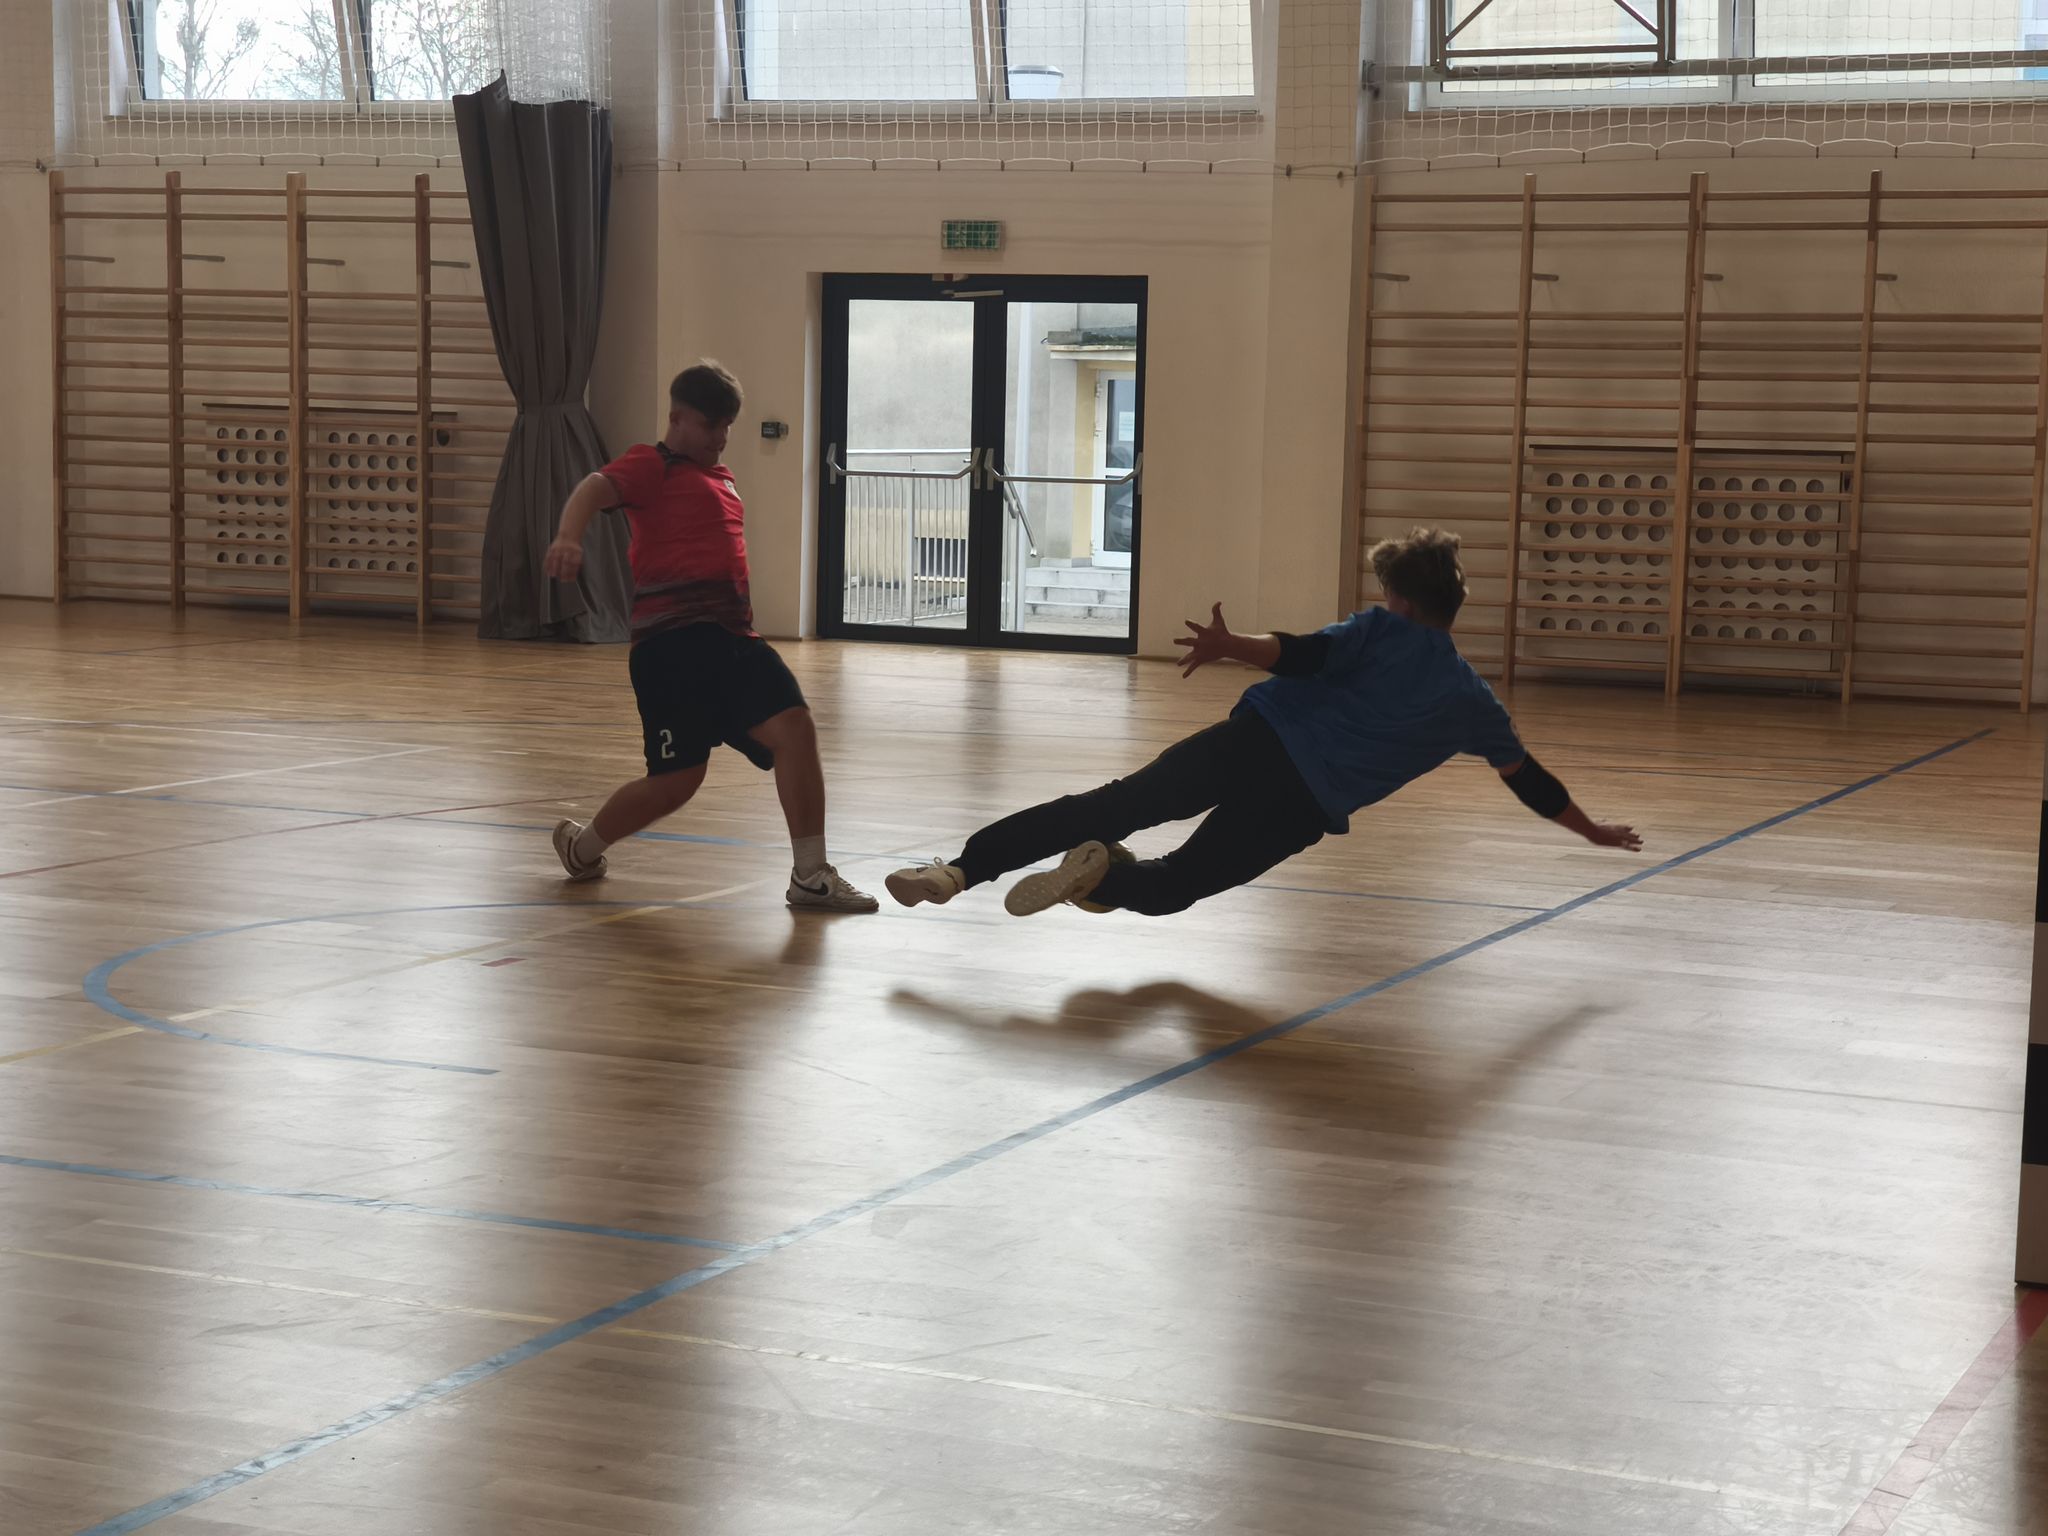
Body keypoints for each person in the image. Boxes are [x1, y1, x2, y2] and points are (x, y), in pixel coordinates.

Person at [885, 527, 1641, 918]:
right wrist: (1592, 831)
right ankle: (1105, 878)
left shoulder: (1381, 630)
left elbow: (1305, 654)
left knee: (1114, 803)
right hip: (1302, 804)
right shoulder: (1471, 700)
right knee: (1178, 885)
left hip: (1253, 743)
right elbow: (1528, 779)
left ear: (1401, 600)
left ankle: (956, 872)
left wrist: (1231, 645)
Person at [543, 361, 877, 912]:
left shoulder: (721, 479)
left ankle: (810, 874)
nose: (720, 437)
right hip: (670, 651)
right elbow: (594, 488)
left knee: (795, 729)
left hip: (732, 640)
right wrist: (567, 536)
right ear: (677, 418)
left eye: (727, 427)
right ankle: (582, 848)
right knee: (676, 782)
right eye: (710, 425)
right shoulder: (652, 464)